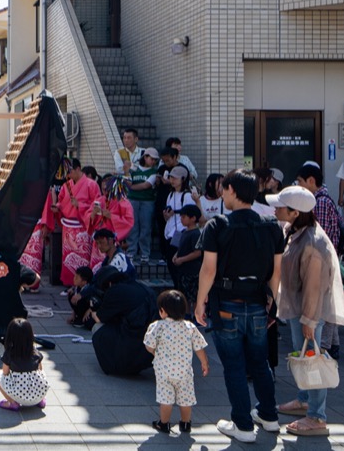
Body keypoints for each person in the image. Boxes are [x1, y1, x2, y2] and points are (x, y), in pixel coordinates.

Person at [194, 168, 284, 443]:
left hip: (226, 302)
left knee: (234, 365)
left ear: (232, 191)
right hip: (258, 301)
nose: (222, 192)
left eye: (224, 188)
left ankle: (243, 424)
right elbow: (276, 272)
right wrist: (273, 303)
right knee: (260, 361)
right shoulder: (271, 226)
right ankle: (268, 415)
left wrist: (199, 304)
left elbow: (208, 270)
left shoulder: (218, 225)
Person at [269, 185, 344, 437]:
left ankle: (316, 416)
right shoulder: (296, 230)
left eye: (280, 206)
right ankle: (305, 401)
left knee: (311, 360)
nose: (276, 208)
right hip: (298, 308)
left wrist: (310, 321)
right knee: (302, 357)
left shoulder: (313, 242)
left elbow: (314, 287)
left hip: (307, 312)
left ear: (294, 213)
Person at [144, 290, 209, 435]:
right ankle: (185, 423)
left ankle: (164, 424)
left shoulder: (157, 326)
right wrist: (204, 362)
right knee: (186, 399)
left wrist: (156, 352)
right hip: (184, 371)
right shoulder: (189, 327)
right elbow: (199, 346)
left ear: (163, 311)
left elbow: (149, 346)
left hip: (163, 371)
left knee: (165, 398)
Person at [296, 163, 343, 359]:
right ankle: (331, 345)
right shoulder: (323, 199)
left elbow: (317, 236)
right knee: (327, 304)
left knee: (323, 307)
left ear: (311, 181)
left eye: (300, 182)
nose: (299, 186)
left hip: (321, 261)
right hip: (326, 260)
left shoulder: (320, 202)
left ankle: (324, 348)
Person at [90, 266, 156, 376]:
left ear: (109, 284)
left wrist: (93, 311)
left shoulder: (115, 291)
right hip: (150, 347)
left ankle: (116, 365)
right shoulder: (140, 287)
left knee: (97, 328)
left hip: (132, 342)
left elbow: (99, 318)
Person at [57, 158, 101, 286]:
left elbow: (96, 205)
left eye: (70, 172)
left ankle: (82, 284)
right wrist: (58, 206)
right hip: (68, 226)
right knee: (68, 257)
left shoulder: (91, 185)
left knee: (82, 257)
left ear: (78, 169)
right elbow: (61, 201)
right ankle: (68, 283)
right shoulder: (67, 185)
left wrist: (80, 205)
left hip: (82, 226)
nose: (68, 175)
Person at [0, 318, 49, 411]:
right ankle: (40, 401)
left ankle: (12, 402)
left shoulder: (9, 354)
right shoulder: (35, 352)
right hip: (40, 393)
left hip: (19, 395)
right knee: (40, 374)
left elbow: (5, 373)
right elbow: (40, 370)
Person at [86, 176, 134, 270]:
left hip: (112, 240)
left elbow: (129, 222)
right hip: (99, 238)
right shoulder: (100, 200)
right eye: (103, 189)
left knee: (112, 265)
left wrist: (112, 216)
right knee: (96, 267)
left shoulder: (124, 202)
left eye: (106, 188)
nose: (105, 191)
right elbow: (89, 218)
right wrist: (93, 214)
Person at [162, 165, 197, 287]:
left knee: (177, 264)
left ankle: (180, 289)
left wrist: (175, 212)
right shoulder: (170, 194)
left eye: (175, 178)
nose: (172, 180)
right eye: (171, 178)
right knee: (170, 263)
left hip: (181, 232)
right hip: (170, 231)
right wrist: (166, 215)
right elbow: (168, 215)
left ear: (183, 179)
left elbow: (191, 213)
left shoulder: (187, 195)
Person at [125, 148, 160, 263]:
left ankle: (145, 252)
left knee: (146, 227)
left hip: (147, 201)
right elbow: (127, 180)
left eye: (155, 160)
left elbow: (146, 185)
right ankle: (131, 251)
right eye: (151, 159)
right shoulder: (134, 168)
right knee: (133, 226)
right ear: (145, 157)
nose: (153, 161)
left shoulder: (154, 172)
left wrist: (132, 187)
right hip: (132, 200)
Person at [172, 205, 203, 308]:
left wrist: (182, 259)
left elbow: (197, 252)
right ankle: (186, 315)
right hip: (183, 271)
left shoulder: (195, 233)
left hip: (192, 271)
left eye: (184, 217)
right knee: (183, 296)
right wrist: (176, 256)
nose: (181, 219)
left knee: (193, 297)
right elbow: (180, 248)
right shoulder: (185, 232)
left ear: (193, 218)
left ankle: (194, 317)